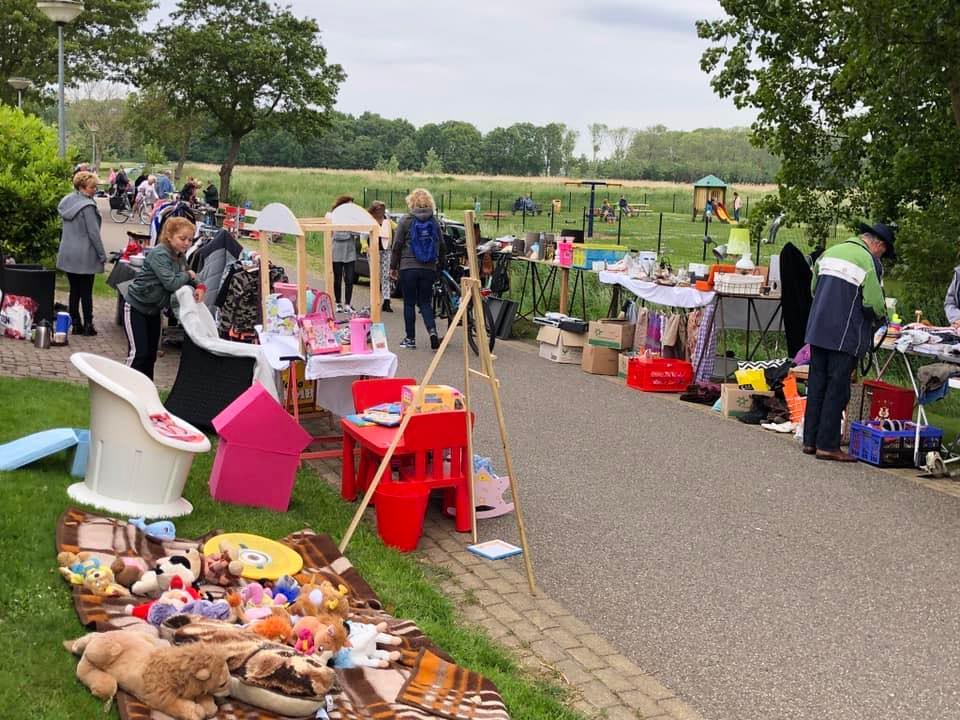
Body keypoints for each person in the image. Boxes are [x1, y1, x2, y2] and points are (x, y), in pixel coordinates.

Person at [803, 222, 894, 461]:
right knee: (837, 388)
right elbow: (873, 302)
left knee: (817, 385)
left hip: (817, 329)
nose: (881, 256)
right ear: (878, 244)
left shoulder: (830, 252)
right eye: (883, 252)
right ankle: (828, 445)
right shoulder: (868, 261)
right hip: (844, 334)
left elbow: (813, 288)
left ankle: (810, 441)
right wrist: (881, 317)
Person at [123, 217, 205, 379]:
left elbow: (189, 273)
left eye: (190, 239)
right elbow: (171, 283)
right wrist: (188, 275)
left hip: (154, 310)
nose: (187, 243)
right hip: (136, 307)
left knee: (150, 356)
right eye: (182, 238)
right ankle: (119, 390)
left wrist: (200, 286)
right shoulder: (159, 253)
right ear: (169, 236)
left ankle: (145, 394)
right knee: (139, 354)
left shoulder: (179, 255)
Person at [390, 188, 445, 350]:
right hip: (428, 267)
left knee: (409, 303)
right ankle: (432, 332)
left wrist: (393, 267)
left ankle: (410, 339)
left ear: (411, 202)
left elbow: (397, 245)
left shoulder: (406, 220)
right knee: (425, 303)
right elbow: (441, 245)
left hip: (408, 267)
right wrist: (440, 265)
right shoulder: (434, 221)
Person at [56, 171, 107, 336]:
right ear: (82, 187)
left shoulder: (67, 201)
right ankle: (88, 325)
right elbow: (93, 234)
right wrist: (102, 255)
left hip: (68, 252)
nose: (95, 190)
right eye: (92, 187)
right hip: (85, 255)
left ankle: (75, 324)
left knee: (74, 290)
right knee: (86, 292)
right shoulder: (88, 207)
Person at [329, 195, 358, 312]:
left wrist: (350, 231)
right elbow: (335, 234)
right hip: (337, 251)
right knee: (337, 278)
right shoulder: (333, 215)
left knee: (350, 279)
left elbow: (357, 231)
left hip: (350, 252)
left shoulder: (352, 217)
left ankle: (348, 303)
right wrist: (349, 232)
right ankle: (338, 302)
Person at [368, 201, 394, 312]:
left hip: (386, 251)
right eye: (378, 210)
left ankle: (387, 301)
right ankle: (373, 300)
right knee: (374, 276)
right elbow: (363, 234)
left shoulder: (387, 220)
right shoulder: (370, 220)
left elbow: (393, 227)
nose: (381, 212)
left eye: (382, 210)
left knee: (386, 276)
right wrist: (364, 245)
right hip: (374, 251)